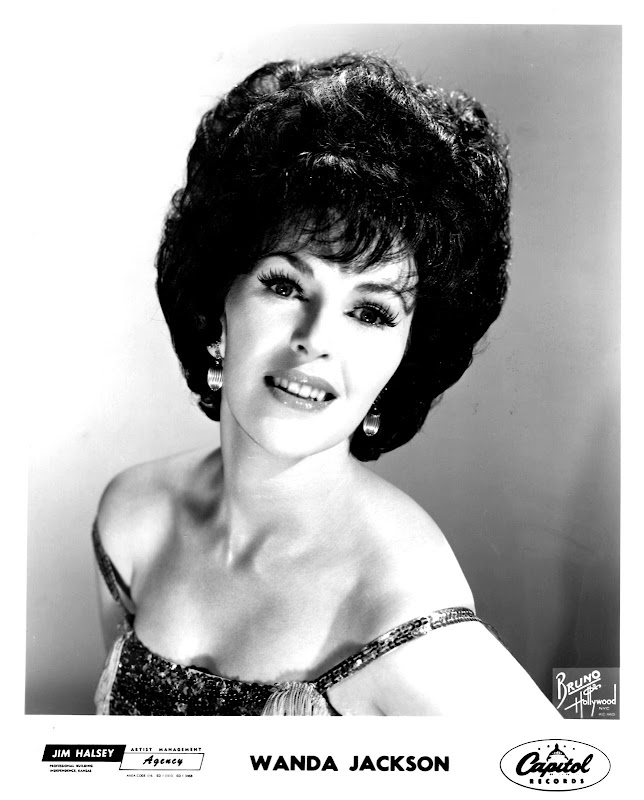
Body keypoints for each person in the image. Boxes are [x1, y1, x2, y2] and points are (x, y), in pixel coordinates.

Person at [93, 52, 558, 716]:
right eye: (285, 285)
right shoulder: (133, 518)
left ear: (405, 359)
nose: (315, 340)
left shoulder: (408, 629)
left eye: (370, 313)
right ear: (217, 307)